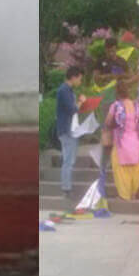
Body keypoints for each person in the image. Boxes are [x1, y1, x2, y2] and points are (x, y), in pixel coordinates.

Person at [107, 76, 139, 201]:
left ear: (117, 92)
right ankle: (134, 193)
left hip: (121, 143)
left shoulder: (116, 106)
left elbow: (108, 122)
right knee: (135, 168)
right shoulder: (137, 106)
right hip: (136, 141)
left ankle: (124, 195)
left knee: (121, 169)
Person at [54, 68, 86, 197]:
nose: (80, 81)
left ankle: (67, 187)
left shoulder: (67, 90)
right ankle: (66, 188)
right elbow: (72, 109)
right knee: (68, 160)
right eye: (79, 78)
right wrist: (81, 101)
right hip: (67, 130)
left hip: (71, 129)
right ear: (73, 77)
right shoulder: (64, 90)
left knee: (70, 159)